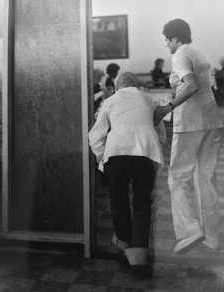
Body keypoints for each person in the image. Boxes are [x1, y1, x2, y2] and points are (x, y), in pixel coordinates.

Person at [154, 18, 224, 254]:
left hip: (191, 122)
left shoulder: (180, 54)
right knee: (206, 178)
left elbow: (191, 85)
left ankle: (189, 231)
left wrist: (168, 107)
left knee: (178, 177)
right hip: (212, 120)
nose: (166, 45)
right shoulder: (200, 53)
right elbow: (206, 87)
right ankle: (212, 238)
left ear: (175, 37)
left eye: (166, 39)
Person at [89, 72, 166, 277]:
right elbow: (161, 134)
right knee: (142, 203)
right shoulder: (148, 99)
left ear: (118, 86)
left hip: (116, 153)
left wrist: (100, 158)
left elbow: (96, 135)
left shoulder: (110, 100)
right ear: (135, 85)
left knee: (119, 202)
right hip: (145, 153)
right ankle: (139, 258)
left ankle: (124, 247)